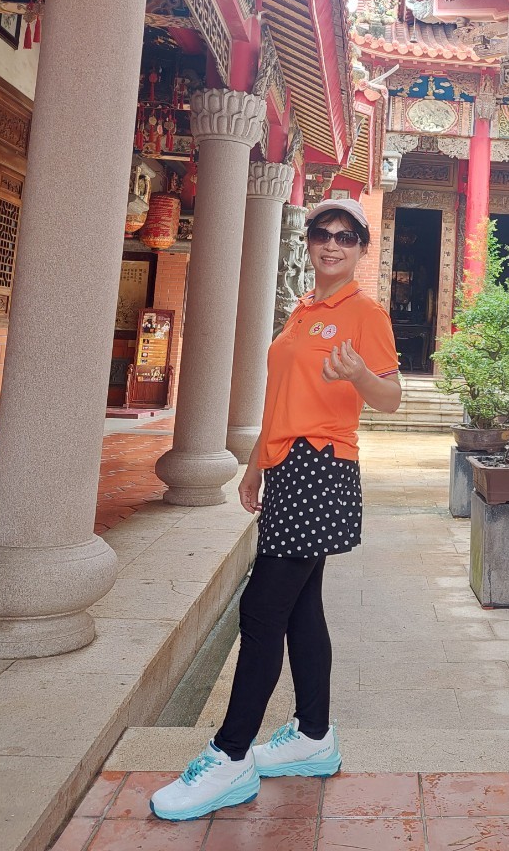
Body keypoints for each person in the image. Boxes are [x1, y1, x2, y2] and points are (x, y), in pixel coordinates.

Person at [151, 198, 401, 821]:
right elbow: (281, 398)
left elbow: (391, 397)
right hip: (288, 467)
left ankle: (231, 755)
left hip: (323, 467)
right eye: (322, 233)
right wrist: (257, 465)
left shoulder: (365, 314)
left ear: (361, 248)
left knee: (262, 609)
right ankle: (313, 736)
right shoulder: (301, 311)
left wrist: (358, 376)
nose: (332, 244)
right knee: (300, 608)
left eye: (347, 236)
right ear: (310, 242)